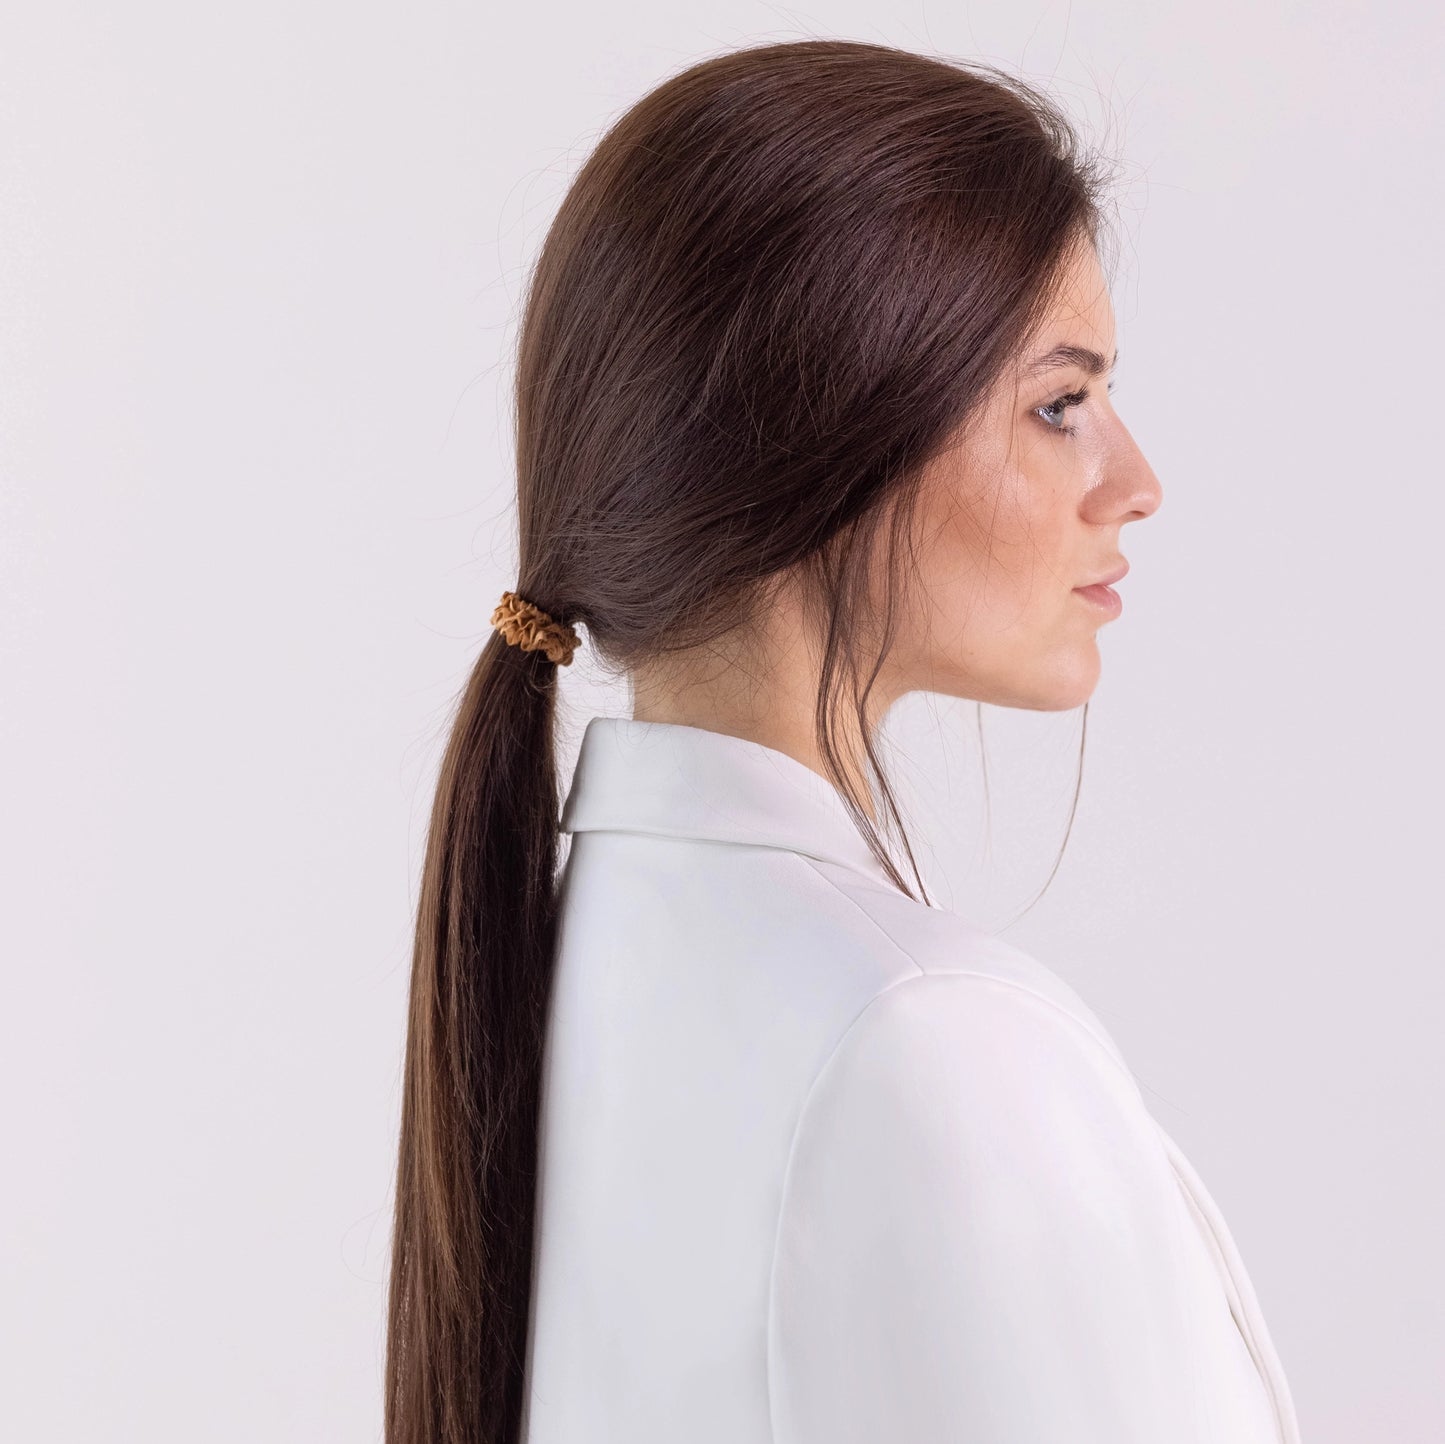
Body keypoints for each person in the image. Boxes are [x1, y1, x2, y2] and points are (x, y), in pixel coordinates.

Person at [383, 38, 1302, 1444]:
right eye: (1059, 404)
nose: (1133, 479)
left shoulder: (590, 953)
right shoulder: (930, 1045)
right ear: (821, 444)